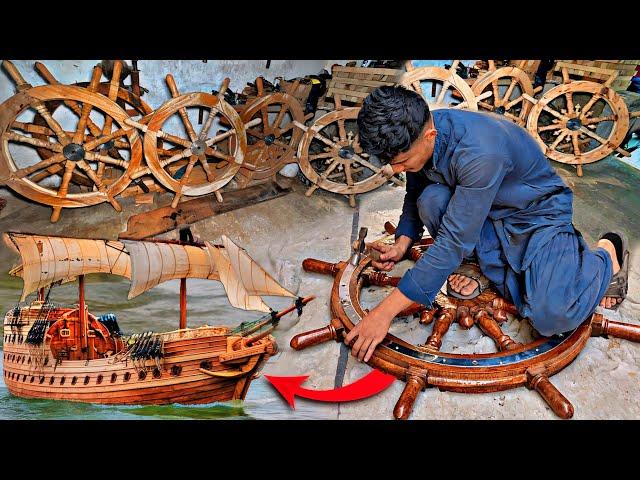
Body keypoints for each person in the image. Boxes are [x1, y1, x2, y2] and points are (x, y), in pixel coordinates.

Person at [344, 85, 630, 362]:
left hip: (533, 216)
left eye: (402, 161)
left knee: (552, 316)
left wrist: (383, 313)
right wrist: (403, 241)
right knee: (430, 199)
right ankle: (480, 262)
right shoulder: (419, 132)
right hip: (484, 211)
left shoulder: (479, 153)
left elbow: (452, 242)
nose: (396, 170)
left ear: (430, 135)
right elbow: (415, 190)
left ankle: (607, 254)